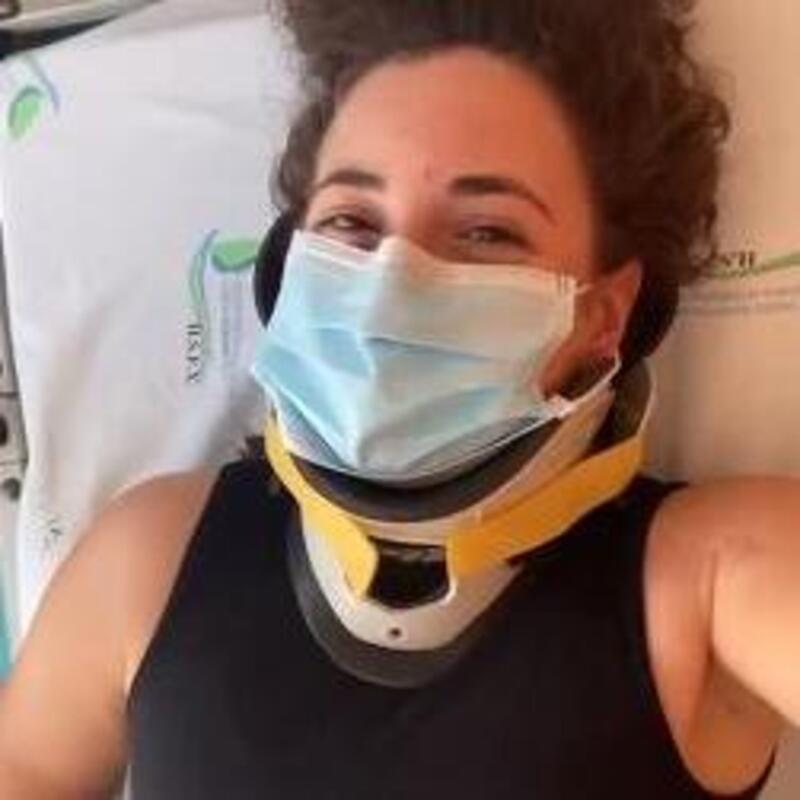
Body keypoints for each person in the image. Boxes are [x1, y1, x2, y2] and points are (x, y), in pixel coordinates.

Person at [1, 1, 798, 797]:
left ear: (603, 314)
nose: (391, 278)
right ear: (288, 267)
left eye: (487, 232)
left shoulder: (715, 574)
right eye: (351, 221)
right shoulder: (151, 555)